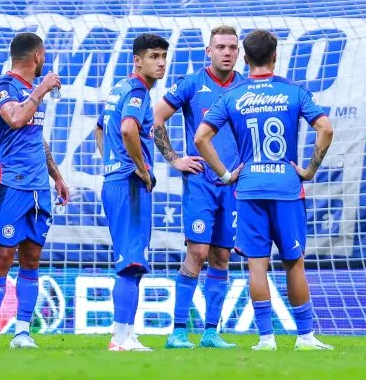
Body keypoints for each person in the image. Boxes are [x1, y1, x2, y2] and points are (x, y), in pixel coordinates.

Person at [195, 30, 334, 351]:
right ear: (275, 57)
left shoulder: (232, 96)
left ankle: (266, 339)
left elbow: (201, 138)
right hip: (287, 187)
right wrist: (310, 169)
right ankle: (305, 338)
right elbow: (325, 128)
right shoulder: (293, 92)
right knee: (293, 262)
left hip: (249, 187)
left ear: (245, 58)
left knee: (257, 264)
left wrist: (226, 174)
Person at [0, 33, 69, 349]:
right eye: (44, 56)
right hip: (10, 181)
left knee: (32, 257)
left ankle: (23, 331)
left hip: (39, 186)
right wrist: (42, 89)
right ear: (38, 56)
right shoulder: (5, 88)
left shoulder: (29, 92)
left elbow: (36, 136)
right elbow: (15, 119)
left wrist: (56, 176)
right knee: (2, 255)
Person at [154, 27, 244, 349]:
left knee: (221, 256)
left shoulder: (245, 89)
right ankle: (178, 331)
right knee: (198, 251)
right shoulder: (192, 83)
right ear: (209, 51)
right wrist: (175, 159)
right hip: (201, 183)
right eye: (220, 46)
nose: (227, 52)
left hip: (233, 185)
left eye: (232, 47)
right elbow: (156, 118)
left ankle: (210, 332)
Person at [93, 33, 168, 352]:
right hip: (129, 185)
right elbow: (127, 129)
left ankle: (126, 332)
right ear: (137, 60)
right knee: (132, 261)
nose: (161, 62)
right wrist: (140, 166)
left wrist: (111, 162)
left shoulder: (118, 89)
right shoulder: (137, 90)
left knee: (132, 260)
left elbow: (100, 128)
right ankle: (120, 337)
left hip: (114, 181)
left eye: (164, 55)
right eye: (153, 56)